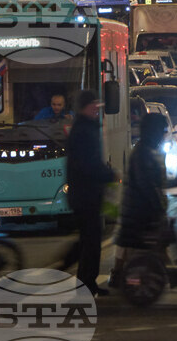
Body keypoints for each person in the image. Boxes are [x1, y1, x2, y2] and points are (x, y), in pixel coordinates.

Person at [62, 91, 117, 296]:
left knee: (90, 240)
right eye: (94, 104)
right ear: (86, 106)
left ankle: (86, 281)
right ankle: (85, 283)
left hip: (86, 194)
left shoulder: (84, 128)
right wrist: (109, 174)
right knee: (90, 241)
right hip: (86, 195)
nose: (98, 108)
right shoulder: (84, 131)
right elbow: (89, 164)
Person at [109, 114, 168, 288]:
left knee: (132, 246)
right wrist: (160, 206)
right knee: (156, 239)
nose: (163, 135)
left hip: (136, 209)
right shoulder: (144, 153)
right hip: (139, 211)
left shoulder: (146, 150)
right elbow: (147, 185)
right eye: (162, 131)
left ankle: (122, 274)